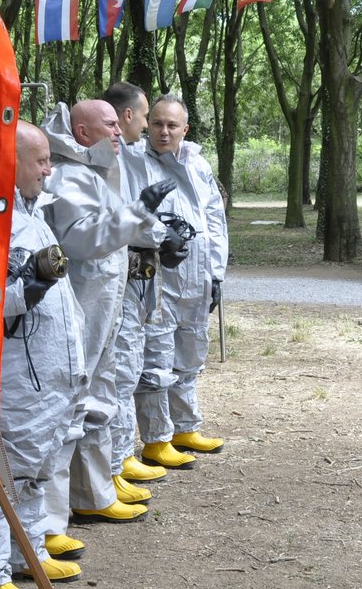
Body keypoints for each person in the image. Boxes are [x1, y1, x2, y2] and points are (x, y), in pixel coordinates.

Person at [41, 99, 173, 532]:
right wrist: (139, 212)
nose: (119, 131)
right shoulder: (69, 176)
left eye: (119, 125)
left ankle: (93, 493)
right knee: (74, 404)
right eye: (110, 124)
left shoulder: (94, 174)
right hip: (81, 309)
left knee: (100, 394)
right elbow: (83, 241)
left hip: (103, 306)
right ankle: (53, 519)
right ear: (82, 134)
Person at [0, 122, 88, 589]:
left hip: (52, 373)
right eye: (42, 160)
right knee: (6, 471)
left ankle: (27, 552)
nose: (50, 170)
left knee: (38, 468)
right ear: (11, 160)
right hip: (18, 374)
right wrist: (25, 288)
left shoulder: (33, 214)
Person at [135, 96, 229, 465]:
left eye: (172, 125)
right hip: (159, 277)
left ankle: (184, 427)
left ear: (184, 128)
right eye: (157, 123)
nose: (163, 131)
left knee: (191, 352)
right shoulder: (138, 163)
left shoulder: (198, 163)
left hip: (198, 275)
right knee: (157, 354)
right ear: (148, 125)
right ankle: (156, 439)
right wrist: (159, 238)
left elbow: (214, 221)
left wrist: (217, 273)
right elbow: (134, 214)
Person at [98, 82, 174, 501]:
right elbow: (125, 215)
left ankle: (122, 454)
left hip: (131, 276)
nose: (148, 127)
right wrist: (161, 235)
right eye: (147, 117)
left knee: (129, 365)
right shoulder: (112, 161)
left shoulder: (128, 158)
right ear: (128, 116)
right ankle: (112, 463)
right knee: (116, 372)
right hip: (112, 278)